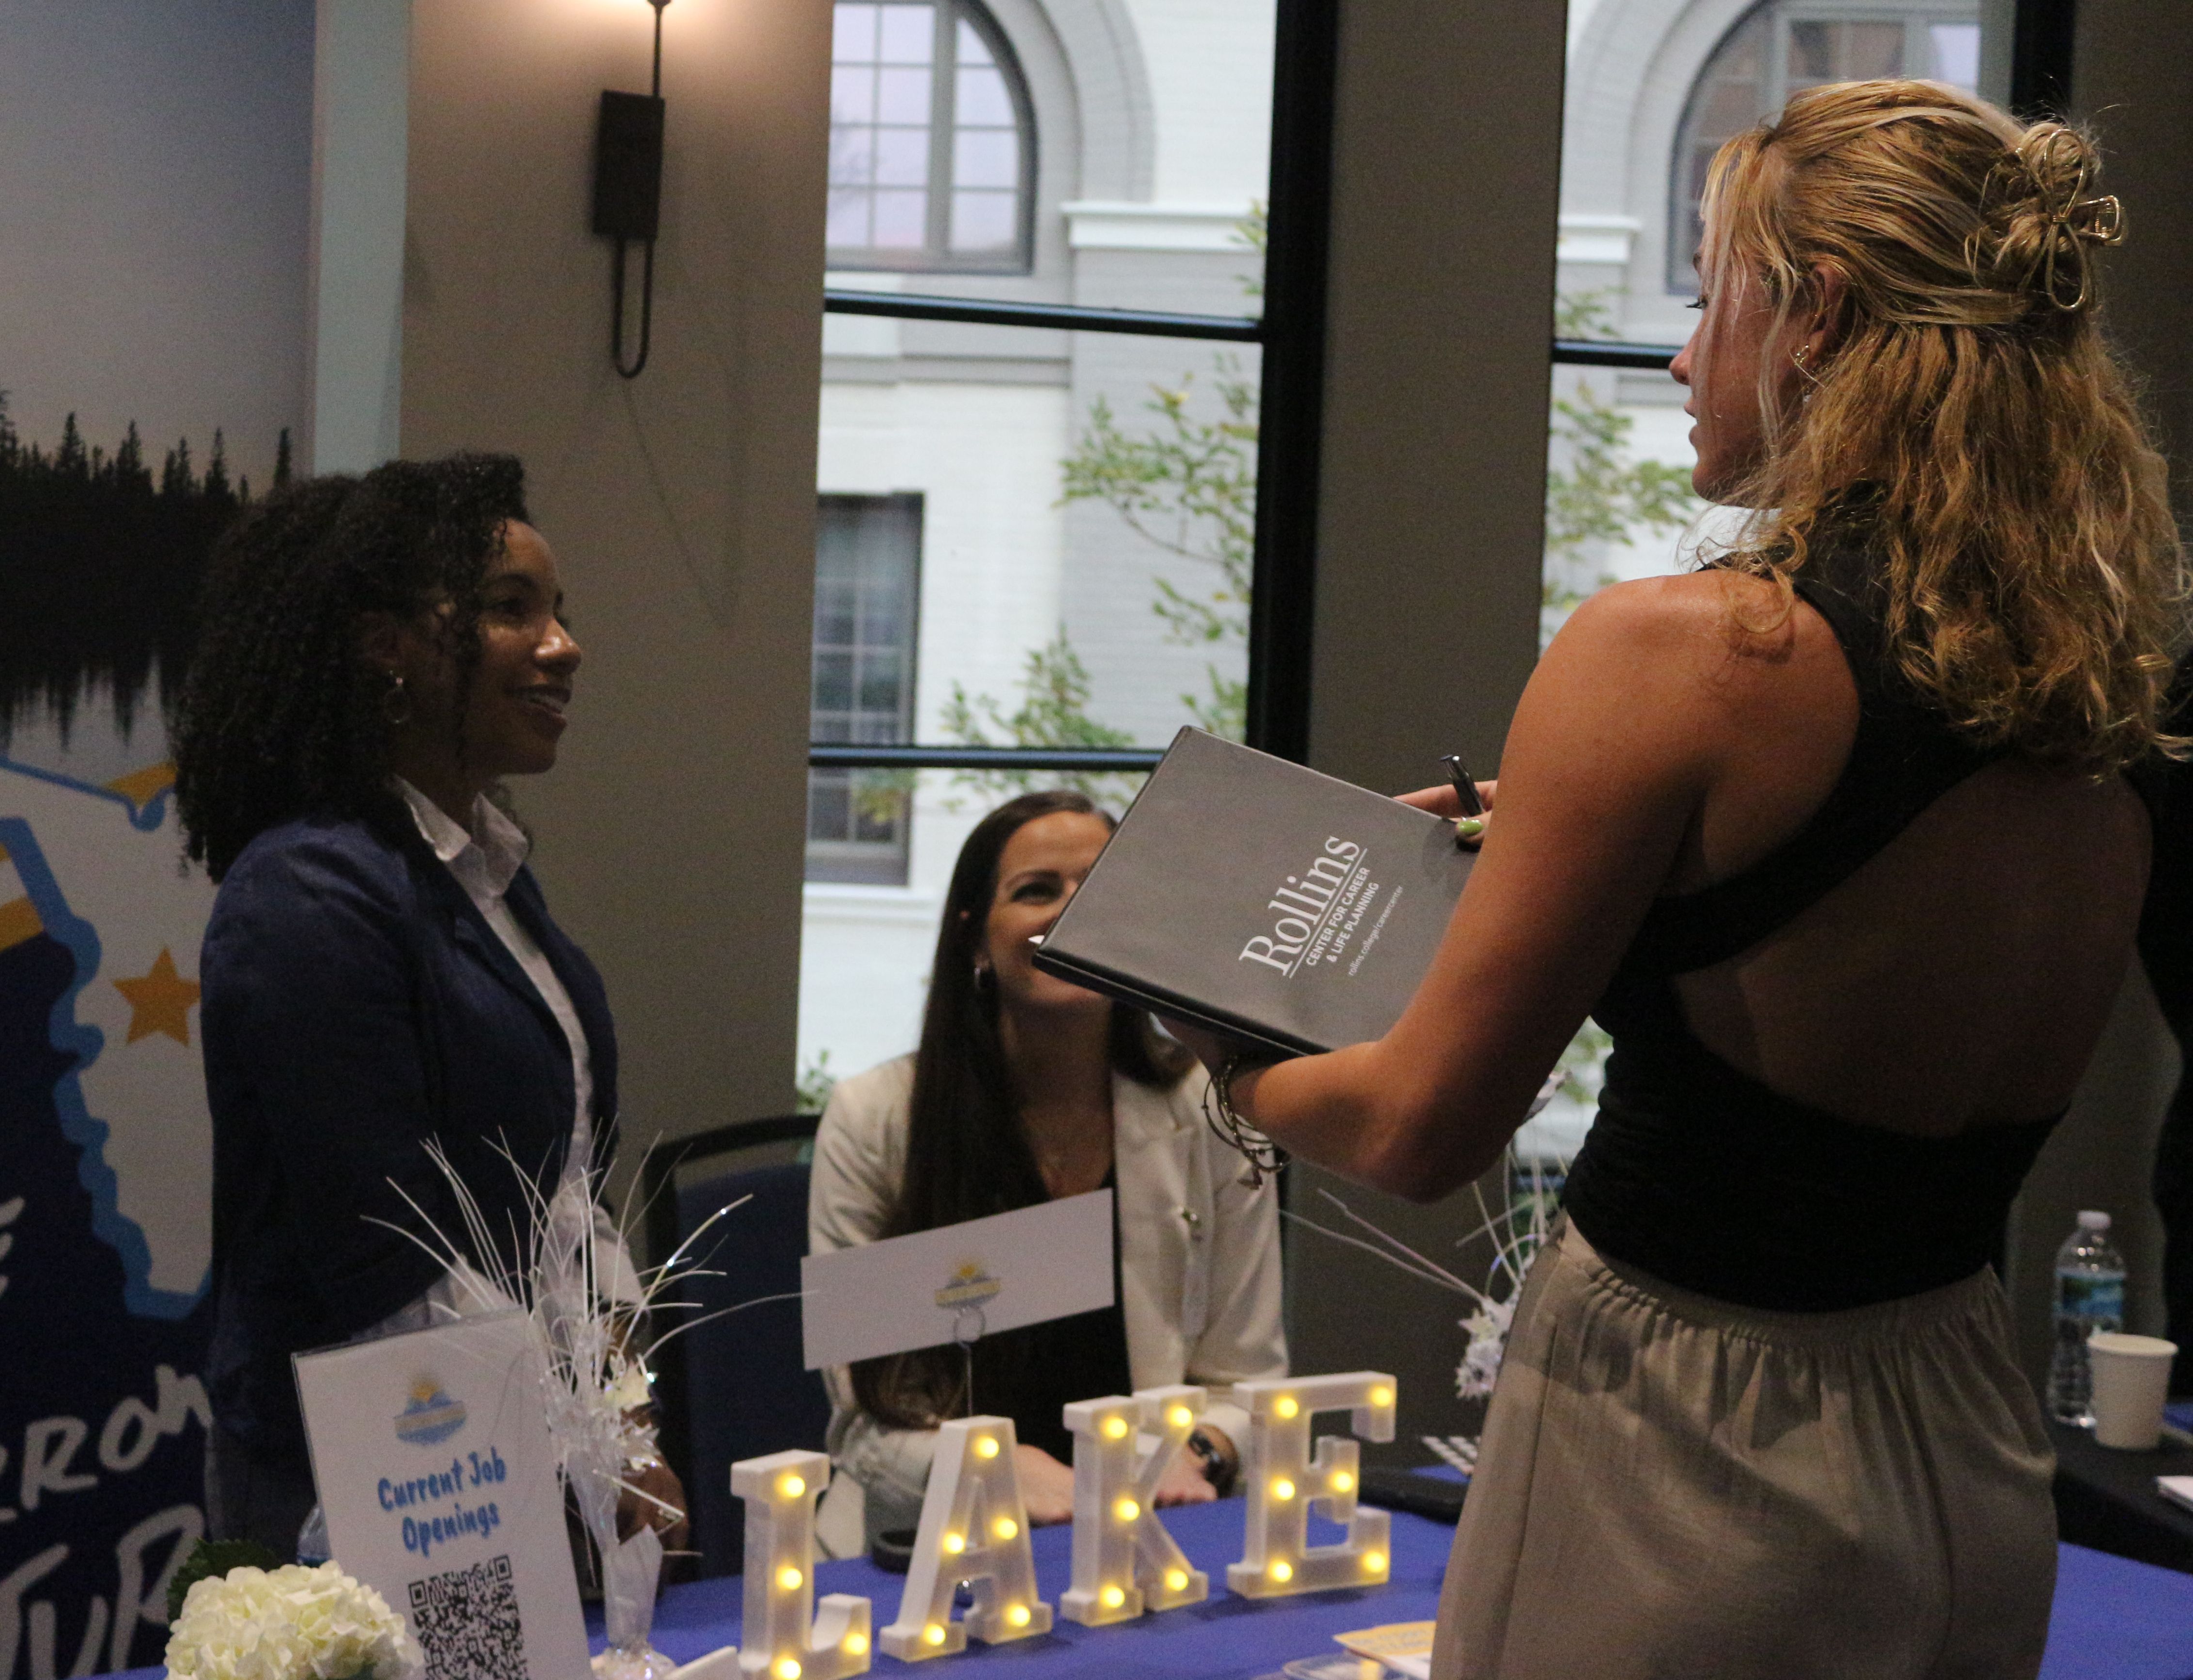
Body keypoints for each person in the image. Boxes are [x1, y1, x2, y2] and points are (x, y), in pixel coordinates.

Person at [1180, 83, 2185, 1677]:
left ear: (1809, 313)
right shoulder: (2100, 699)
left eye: (1704, 288)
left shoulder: (1677, 653)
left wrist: (1221, 1041)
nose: (1676, 350)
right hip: (1970, 1442)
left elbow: (1421, 1128)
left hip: (1684, 1446)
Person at [172, 454, 681, 1557]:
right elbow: (391, 1256)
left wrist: (624, 1418)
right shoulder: (305, 893)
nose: (563, 646)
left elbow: (567, 1200)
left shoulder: (487, 879)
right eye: (511, 611)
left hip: (532, 1468)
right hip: (375, 1497)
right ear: (382, 643)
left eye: (558, 612)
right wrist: (574, 1446)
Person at [809, 790, 1287, 1552]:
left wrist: (1197, 1451)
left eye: (1097, 891)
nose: (1072, 912)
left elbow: (1249, 1386)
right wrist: (991, 1466)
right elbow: (869, 1419)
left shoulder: (1211, 1112)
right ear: (974, 939)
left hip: (1158, 1538)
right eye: (1037, 891)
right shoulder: (876, 1118)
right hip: (924, 1553)